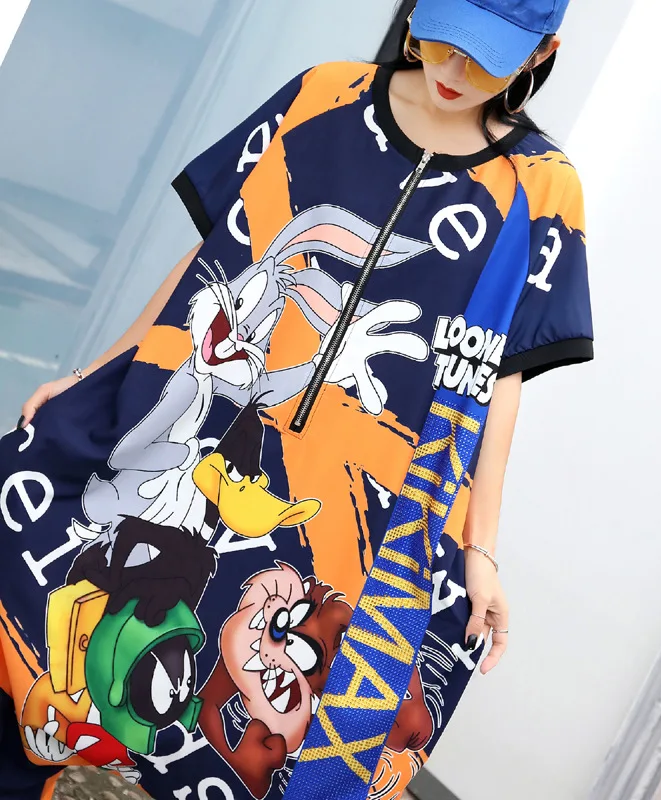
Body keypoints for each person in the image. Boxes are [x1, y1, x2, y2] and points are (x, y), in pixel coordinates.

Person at [0, 0, 593, 798]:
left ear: (540, 54)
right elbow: (211, 255)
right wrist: (96, 369)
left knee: (269, 731)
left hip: (339, 505)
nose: (453, 71)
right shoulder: (324, 95)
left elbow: (499, 375)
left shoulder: (541, 188)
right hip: (203, 425)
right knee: (36, 590)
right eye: (445, 39)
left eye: (485, 56)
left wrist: (480, 550)